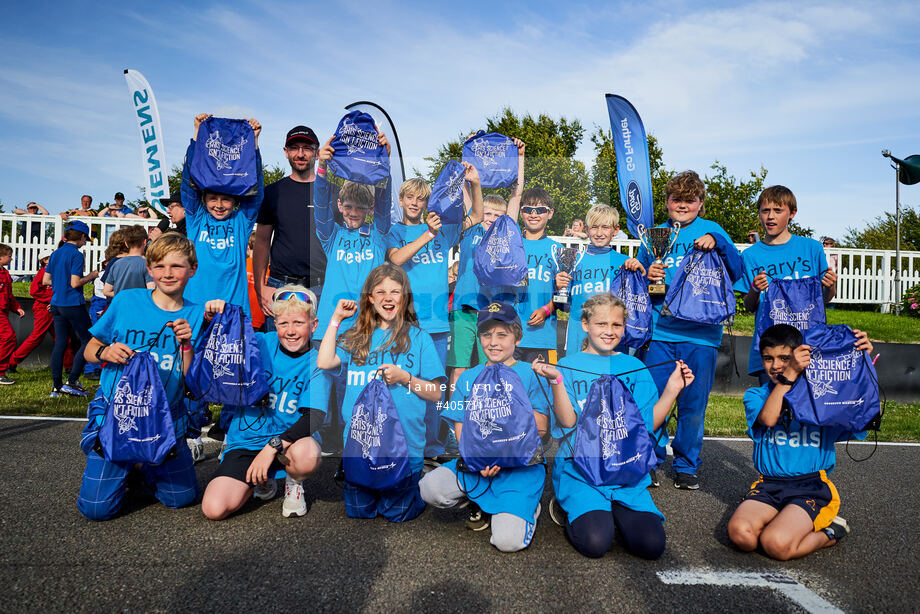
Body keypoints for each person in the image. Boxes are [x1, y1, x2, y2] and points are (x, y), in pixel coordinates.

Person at [532, 294, 693, 559]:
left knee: (651, 546)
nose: (609, 331)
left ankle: (615, 509)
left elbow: (647, 424)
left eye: (616, 325)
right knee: (596, 543)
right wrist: (557, 380)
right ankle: (571, 506)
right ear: (585, 324)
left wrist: (673, 389)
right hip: (582, 469)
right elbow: (568, 421)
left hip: (625, 469)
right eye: (601, 324)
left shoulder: (634, 366)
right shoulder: (568, 365)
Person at [76, 233, 223, 521]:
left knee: (181, 498)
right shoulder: (127, 300)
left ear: (192, 270)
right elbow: (89, 350)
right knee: (96, 510)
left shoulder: (196, 313)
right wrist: (105, 352)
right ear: (149, 268)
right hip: (119, 415)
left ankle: (142, 466)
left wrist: (187, 345)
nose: (167, 273)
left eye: (177, 266)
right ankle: (127, 462)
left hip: (166, 417)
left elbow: (194, 380)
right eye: (160, 266)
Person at [726, 324, 872, 560]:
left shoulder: (822, 398)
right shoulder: (756, 396)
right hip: (769, 485)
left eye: (785, 358)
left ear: (800, 357)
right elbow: (769, 418)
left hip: (811, 487)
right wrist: (789, 375)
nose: (776, 366)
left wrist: (859, 360)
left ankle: (830, 532)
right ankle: (783, 518)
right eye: (768, 358)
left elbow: (861, 411)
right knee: (742, 536)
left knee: (776, 545)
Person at [639, 170, 744, 491]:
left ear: (700, 203)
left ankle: (686, 464)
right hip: (660, 332)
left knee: (693, 405)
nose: (682, 205)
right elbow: (640, 283)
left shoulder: (712, 230)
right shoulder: (656, 233)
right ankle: (651, 461)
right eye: (676, 199)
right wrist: (648, 272)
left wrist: (720, 244)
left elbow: (739, 272)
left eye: (689, 200)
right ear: (667, 202)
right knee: (654, 399)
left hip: (701, 335)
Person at [317, 265, 445, 522]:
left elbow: (436, 394)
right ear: (370, 298)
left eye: (395, 292)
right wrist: (336, 319)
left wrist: (405, 378)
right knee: (360, 512)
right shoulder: (355, 336)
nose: (388, 297)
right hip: (361, 447)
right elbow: (324, 361)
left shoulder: (419, 338)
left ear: (405, 297)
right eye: (381, 292)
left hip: (404, 450)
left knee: (395, 513)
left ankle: (414, 486)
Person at [420, 302, 549, 552]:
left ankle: (525, 506)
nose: (493, 342)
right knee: (429, 488)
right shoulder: (468, 377)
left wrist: (501, 454)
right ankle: (476, 501)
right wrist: (476, 461)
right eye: (487, 334)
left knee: (507, 542)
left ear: (517, 338)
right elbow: (460, 431)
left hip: (519, 466)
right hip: (479, 464)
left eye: (502, 335)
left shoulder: (530, 373)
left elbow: (541, 430)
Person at [201, 286, 333, 520]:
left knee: (308, 454)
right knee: (214, 509)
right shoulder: (259, 343)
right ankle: (260, 479)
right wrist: (211, 321)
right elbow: (218, 349)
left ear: (313, 325)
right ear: (274, 323)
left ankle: (294, 483)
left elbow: (314, 417)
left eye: (298, 323)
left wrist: (271, 448)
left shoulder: (319, 358)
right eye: (283, 323)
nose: (290, 331)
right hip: (246, 441)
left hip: (289, 444)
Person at [386, 166, 484, 459]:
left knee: (435, 390)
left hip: (439, 324)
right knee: (404, 386)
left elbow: (477, 216)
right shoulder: (396, 231)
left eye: (421, 199)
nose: (415, 203)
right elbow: (396, 260)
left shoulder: (445, 230)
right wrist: (428, 233)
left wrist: (475, 185)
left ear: (427, 203)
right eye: (410, 197)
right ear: (401, 200)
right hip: (406, 324)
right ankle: (402, 444)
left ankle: (432, 447)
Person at [739, 186, 836, 383]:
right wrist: (755, 289)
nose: (770, 217)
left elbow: (823, 300)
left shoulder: (812, 248)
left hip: (807, 346)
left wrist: (831, 286)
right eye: (765, 211)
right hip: (771, 349)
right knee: (771, 410)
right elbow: (749, 306)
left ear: (792, 213)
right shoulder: (750, 256)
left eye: (777, 210)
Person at [181, 113, 264, 317]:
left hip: (233, 309)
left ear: (235, 201)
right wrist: (197, 136)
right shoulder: (196, 219)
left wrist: (253, 144)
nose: (219, 205)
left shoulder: (240, 221)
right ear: (204, 200)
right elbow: (188, 183)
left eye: (226, 199)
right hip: (195, 308)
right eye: (212, 198)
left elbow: (256, 189)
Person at [312, 132, 392, 336]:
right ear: (339, 205)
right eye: (348, 206)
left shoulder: (378, 235)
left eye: (360, 207)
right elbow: (321, 207)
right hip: (331, 326)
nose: (354, 213)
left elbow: (384, 206)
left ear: (370, 207)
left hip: (368, 327)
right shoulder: (332, 236)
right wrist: (321, 168)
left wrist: (385, 165)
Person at [253, 126, 326, 330]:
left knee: (320, 356)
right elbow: (261, 242)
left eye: (307, 148)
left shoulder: (330, 193)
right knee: (278, 353)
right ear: (285, 152)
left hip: (322, 286)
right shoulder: (273, 192)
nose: (300, 154)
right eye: (294, 148)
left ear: (317, 152)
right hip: (280, 286)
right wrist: (261, 288)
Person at [555, 204, 644, 356]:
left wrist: (641, 273)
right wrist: (558, 287)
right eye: (594, 227)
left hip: (613, 338)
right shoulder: (574, 260)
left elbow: (637, 303)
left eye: (605, 227)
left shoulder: (625, 262)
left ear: (615, 230)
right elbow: (562, 305)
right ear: (587, 230)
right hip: (579, 335)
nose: (599, 233)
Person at [43, 220, 98, 397]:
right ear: (81, 237)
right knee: (89, 340)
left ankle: (56, 387)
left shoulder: (56, 253)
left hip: (57, 304)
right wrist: (92, 276)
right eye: (85, 239)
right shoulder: (76, 254)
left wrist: (61, 282)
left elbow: (45, 280)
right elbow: (75, 282)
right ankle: (72, 381)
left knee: (60, 343)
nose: (85, 242)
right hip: (72, 303)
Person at [515, 188, 560, 363]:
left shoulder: (558, 250)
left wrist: (546, 309)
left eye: (540, 210)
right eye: (528, 209)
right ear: (521, 213)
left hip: (543, 337)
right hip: (510, 335)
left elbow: (565, 295)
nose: (534, 215)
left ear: (550, 214)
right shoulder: (511, 246)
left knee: (542, 388)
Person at [7, 252, 53, 373]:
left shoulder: (54, 272)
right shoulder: (42, 273)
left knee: (64, 337)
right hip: (44, 309)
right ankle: (12, 362)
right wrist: (51, 300)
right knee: (36, 337)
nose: (52, 260)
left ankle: (70, 367)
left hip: (53, 309)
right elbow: (34, 291)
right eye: (49, 258)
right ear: (44, 261)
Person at [101, 225, 154, 298]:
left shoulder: (116, 264)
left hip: (120, 306)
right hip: (138, 306)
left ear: (126, 243)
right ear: (144, 242)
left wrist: (122, 295)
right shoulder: (146, 264)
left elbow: (106, 291)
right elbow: (151, 290)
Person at [0, 244, 25, 385]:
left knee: (7, 338)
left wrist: (17, 308)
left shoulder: (6, 274)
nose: (11, 259)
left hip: (3, 311)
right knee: (8, 337)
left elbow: (9, 295)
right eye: (9, 256)